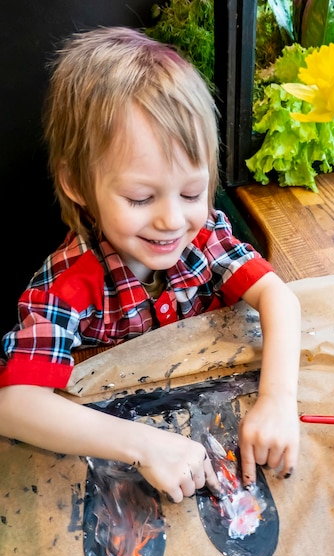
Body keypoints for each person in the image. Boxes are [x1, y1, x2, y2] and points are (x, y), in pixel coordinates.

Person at [0, 26, 301, 503]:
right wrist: (142, 446)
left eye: (191, 192)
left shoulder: (204, 236)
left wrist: (279, 401)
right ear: (78, 185)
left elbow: (278, 296)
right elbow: (14, 405)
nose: (172, 220)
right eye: (141, 198)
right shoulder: (67, 285)